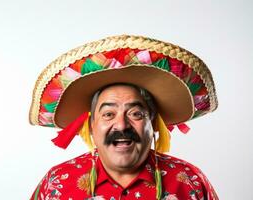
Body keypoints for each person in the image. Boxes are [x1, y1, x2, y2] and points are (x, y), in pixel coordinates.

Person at [29, 35, 219, 200]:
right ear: (91, 126)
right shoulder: (56, 184)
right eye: (108, 114)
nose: (121, 125)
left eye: (135, 114)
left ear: (152, 123)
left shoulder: (189, 181)